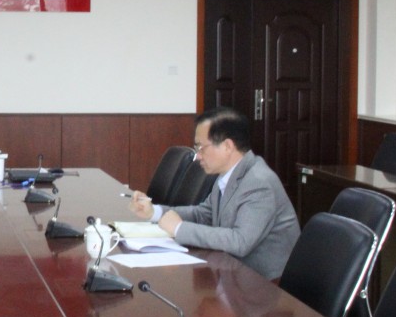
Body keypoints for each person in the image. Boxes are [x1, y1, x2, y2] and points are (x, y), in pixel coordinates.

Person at [127, 107, 299, 279]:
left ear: (227, 146)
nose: (197, 156)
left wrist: (179, 228)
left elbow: (240, 242)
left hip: (264, 284)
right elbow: (203, 214)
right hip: (232, 273)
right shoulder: (228, 174)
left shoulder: (259, 183)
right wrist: (154, 212)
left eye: (201, 148)